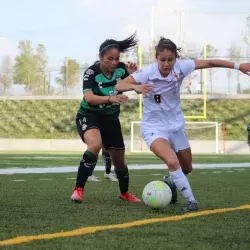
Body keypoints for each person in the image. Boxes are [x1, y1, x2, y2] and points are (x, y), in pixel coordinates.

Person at [115, 37, 250, 212]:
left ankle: (169, 182)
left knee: (186, 167)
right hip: (154, 128)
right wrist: (135, 87)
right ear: (156, 59)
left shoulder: (181, 67)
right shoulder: (147, 73)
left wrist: (238, 66)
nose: (166, 63)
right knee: (172, 161)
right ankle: (191, 201)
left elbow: (209, 62)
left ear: (175, 59)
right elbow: (119, 85)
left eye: (170, 60)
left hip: (176, 126)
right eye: (162, 60)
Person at [71, 33, 141, 203]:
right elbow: (89, 98)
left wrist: (135, 75)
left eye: (117, 59)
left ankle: (124, 193)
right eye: (110, 59)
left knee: (119, 162)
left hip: (111, 120)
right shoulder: (91, 73)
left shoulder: (122, 69)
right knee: (95, 145)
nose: (114, 63)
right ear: (100, 57)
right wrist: (111, 98)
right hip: (89, 115)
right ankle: (78, 190)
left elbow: (138, 89)